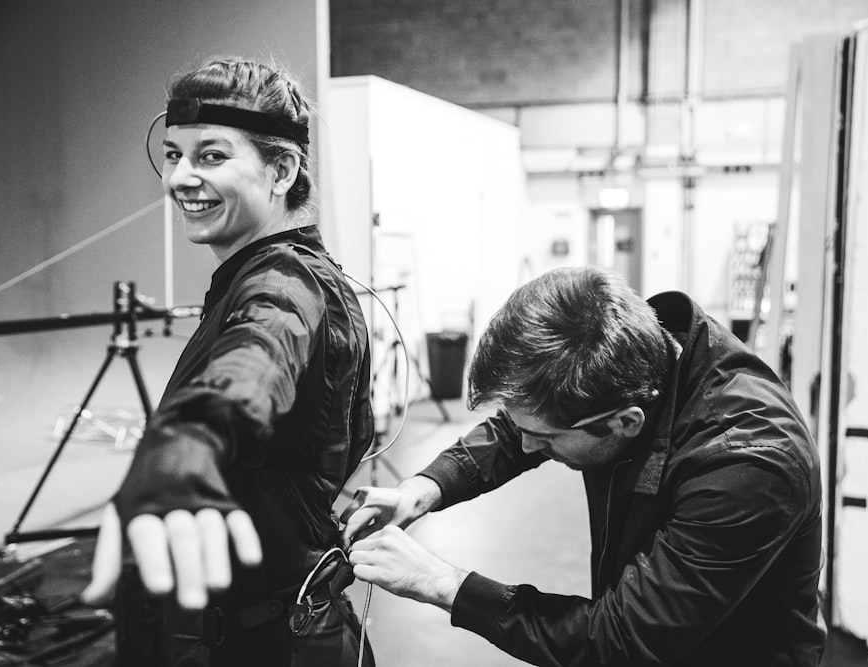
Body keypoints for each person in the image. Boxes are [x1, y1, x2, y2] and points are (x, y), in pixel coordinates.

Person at [342, 266, 825, 666]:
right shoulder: (629, 356)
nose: (527, 445)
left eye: (546, 439)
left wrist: (443, 583)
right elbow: (518, 429)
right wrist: (421, 491)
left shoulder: (748, 464)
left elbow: (619, 640)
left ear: (624, 422)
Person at [81, 55, 376, 666]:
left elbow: (257, 357)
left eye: (212, 155)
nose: (180, 178)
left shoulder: (284, 283)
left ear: (282, 169)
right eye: (173, 155)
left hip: (277, 644)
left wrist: (188, 444)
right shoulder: (266, 275)